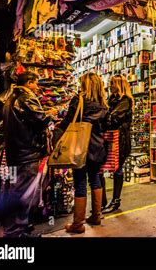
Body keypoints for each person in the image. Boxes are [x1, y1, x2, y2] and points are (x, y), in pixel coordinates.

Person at [2, 71, 57, 237]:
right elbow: (39, 119)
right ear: (29, 83)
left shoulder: (10, 98)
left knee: (17, 191)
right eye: (35, 83)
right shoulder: (25, 98)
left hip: (16, 153)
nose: (37, 87)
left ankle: (17, 229)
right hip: (27, 153)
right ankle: (15, 232)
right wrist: (52, 114)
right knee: (24, 194)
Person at [56, 72, 108, 233]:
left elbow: (68, 122)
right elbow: (107, 126)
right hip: (98, 148)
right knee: (95, 179)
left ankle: (78, 224)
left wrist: (56, 133)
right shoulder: (103, 105)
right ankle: (96, 216)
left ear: (85, 85)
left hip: (80, 147)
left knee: (80, 182)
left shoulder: (78, 100)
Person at [101, 75, 134, 214]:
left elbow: (112, 118)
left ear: (119, 85)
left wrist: (104, 117)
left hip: (120, 140)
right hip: (111, 138)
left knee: (117, 168)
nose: (110, 85)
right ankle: (102, 201)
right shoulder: (111, 99)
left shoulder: (125, 101)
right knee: (105, 168)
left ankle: (115, 200)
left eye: (112, 83)